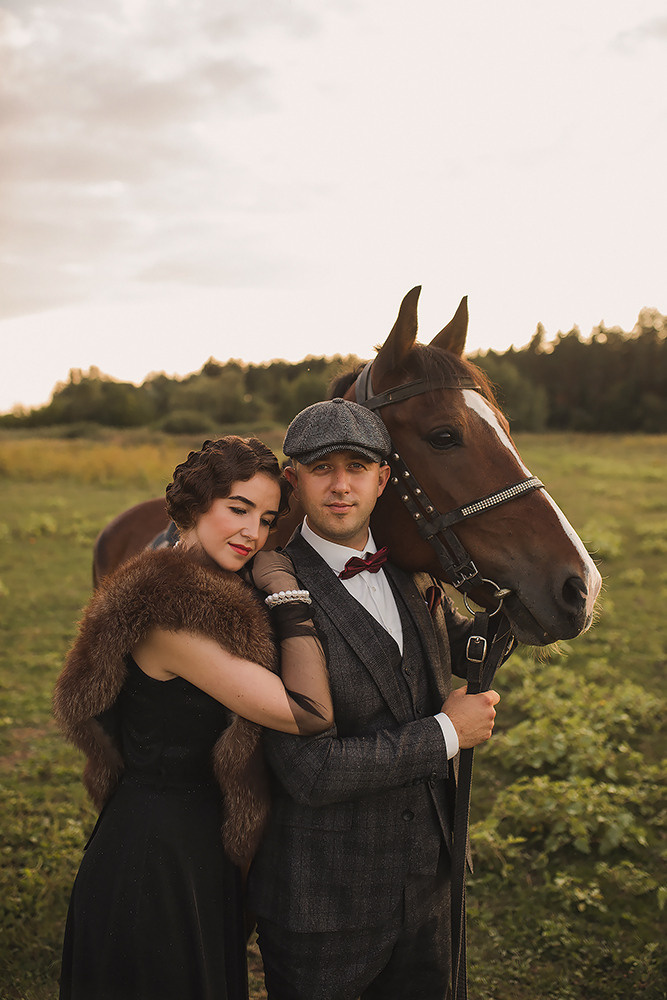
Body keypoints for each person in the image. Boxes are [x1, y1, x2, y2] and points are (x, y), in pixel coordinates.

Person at [53, 435, 333, 1000]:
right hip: (155, 859)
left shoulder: (212, 592)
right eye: (237, 508)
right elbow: (308, 712)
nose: (253, 533)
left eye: (268, 518)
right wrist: (287, 596)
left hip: (200, 847)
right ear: (194, 506)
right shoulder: (167, 613)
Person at [247, 399, 504, 1000]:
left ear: (384, 479)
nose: (341, 486)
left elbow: (433, 664)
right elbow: (308, 771)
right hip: (324, 906)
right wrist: (447, 733)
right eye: (321, 468)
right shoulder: (269, 596)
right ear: (293, 481)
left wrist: (518, 598)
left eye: (358, 467)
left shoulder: (410, 576)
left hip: (430, 888)